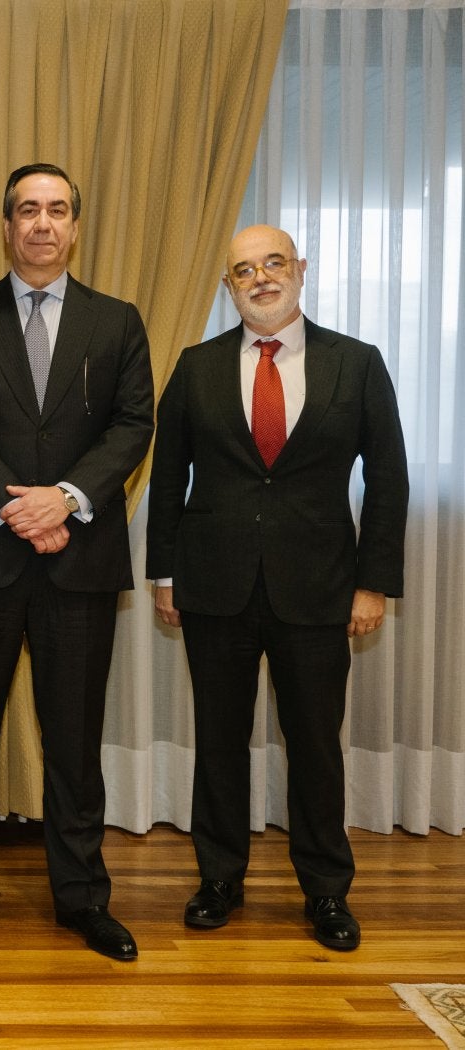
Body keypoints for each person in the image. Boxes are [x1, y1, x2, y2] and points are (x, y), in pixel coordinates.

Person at [146, 224, 408, 951]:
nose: (261, 278)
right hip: (213, 588)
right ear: (228, 287)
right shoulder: (196, 367)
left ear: (299, 269)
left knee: (316, 746)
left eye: (273, 263)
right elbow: (168, 482)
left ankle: (326, 891)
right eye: (243, 270)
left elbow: (387, 480)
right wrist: (165, 575)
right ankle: (219, 879)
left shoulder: (355, 365)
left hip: (321, 590)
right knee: (219, 741)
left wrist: (374, 584)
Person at [0, 163, 154, 962]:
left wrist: (66, 499)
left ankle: (83, 898)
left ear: (76, 226)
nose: (42, 224)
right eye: (28, 210)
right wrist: (18, 507)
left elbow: (132, 424)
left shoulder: (116, 322)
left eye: (57, 210)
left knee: (75, 741)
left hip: (79, 562)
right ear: (7, 224)